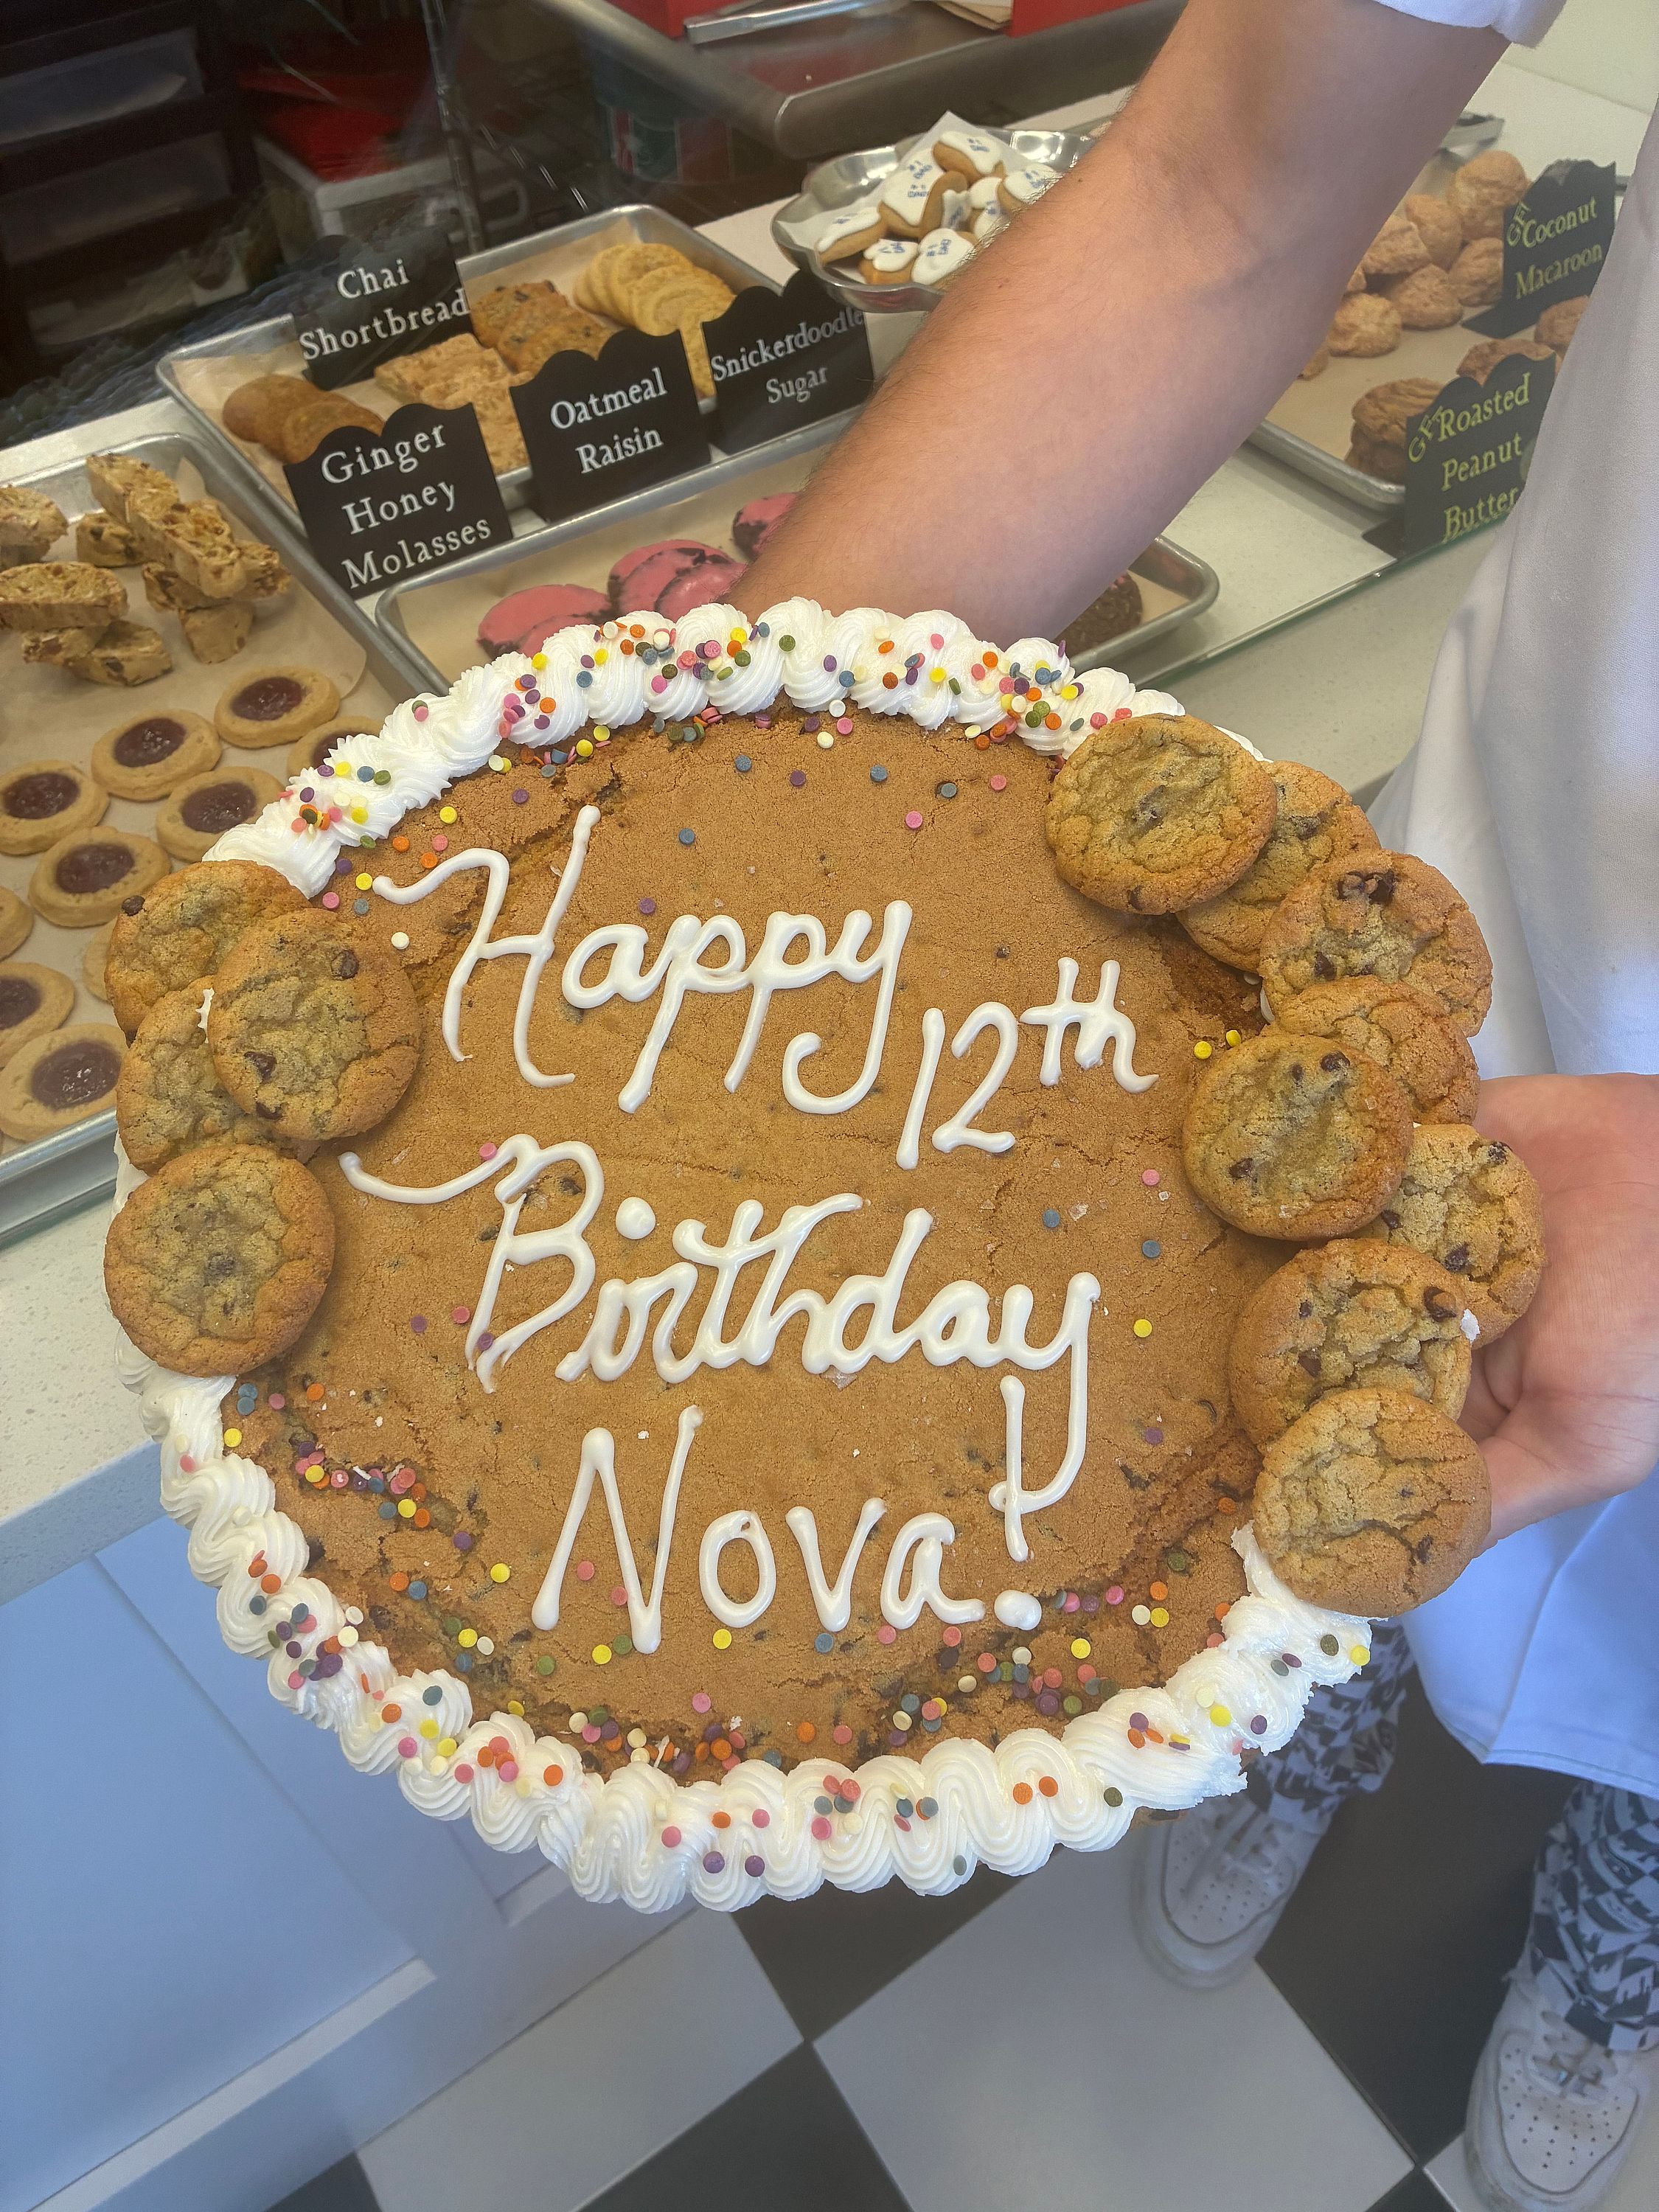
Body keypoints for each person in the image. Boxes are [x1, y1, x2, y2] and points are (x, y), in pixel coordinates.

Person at [737, 3, 1659, 2205]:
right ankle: (1288, 1731)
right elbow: (1216, 184)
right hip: (1500, 895)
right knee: (1316, 1488)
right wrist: (745, 809)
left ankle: (1614, 1948)